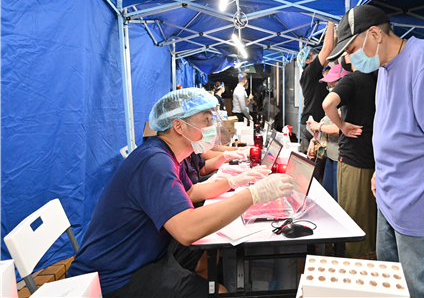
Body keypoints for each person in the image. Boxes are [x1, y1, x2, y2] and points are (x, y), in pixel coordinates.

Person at [67, 88, 293, 297]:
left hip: (143, 255)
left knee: (206, 254)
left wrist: (235, 182)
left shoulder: (168, 155)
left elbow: (192, 191)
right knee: (220, 291)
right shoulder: (154, 162)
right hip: (115, 276)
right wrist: (253, 195)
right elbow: (186, 229)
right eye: (205, 119)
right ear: (178, 126)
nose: (211, 126)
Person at [327, 5, 424, 297]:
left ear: (374, 34)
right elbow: (396, 128)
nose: (348, 58)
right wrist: (381, 170)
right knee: (393, 286)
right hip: (390, 200)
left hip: (422, 207)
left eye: (351, 48)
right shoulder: (385, 69)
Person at [322, 58, 377, 258]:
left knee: (353, 217)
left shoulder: (353, 79)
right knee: (369, 217)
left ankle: (352, 263)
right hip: (375, 159)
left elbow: (328, 103)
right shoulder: (377, 79)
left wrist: (342, 125)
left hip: (354, 158)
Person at [307, 64, 350, 201]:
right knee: (328, 197)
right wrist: (313, 140)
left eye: (333, 84)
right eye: (329, 86)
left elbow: (340, 129)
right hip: (330, 156)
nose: (330, 88)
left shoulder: (349, 104)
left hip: (342, 158)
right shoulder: (335, 104)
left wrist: (319, 127)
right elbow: (324, 123)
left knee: (338, 200)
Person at [297, 23, 335, 153]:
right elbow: (327, 49)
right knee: (314, 162)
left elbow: (330, 50)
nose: (317, 54)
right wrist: (330, 21)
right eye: (313, 53)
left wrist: (335, 32)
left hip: (312, 122)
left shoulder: (312, 74)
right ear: (307, 61)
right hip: (311, 123)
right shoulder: (309, 72)